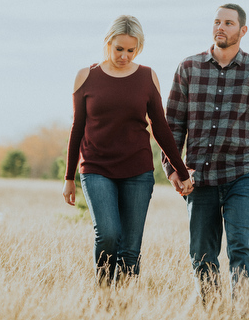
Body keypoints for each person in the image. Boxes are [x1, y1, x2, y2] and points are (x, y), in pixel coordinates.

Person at [163, 4, 249, 304]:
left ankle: (244, 316)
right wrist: (173, 169)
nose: (221, 27)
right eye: (217, 21)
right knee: (201, 252)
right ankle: (213, 313)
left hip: (242, 172)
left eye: (229, 23)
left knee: (242, 245)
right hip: (199, 177)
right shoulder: (188, 68)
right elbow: (172, 126)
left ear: (242, 30)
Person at [62, 15, 193, 285]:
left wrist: (180, 170)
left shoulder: (147, 76)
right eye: (119, 49)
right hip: (96, 168)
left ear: (139, 48)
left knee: (130, 249)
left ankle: (124, 307)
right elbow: (77, 129)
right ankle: (104, 295)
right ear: (108, 43)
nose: (124, 55)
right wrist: (68, 178)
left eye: (131, 50)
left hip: (137, 171)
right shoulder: (86, 77)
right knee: (108, 234)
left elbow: (160, 128)